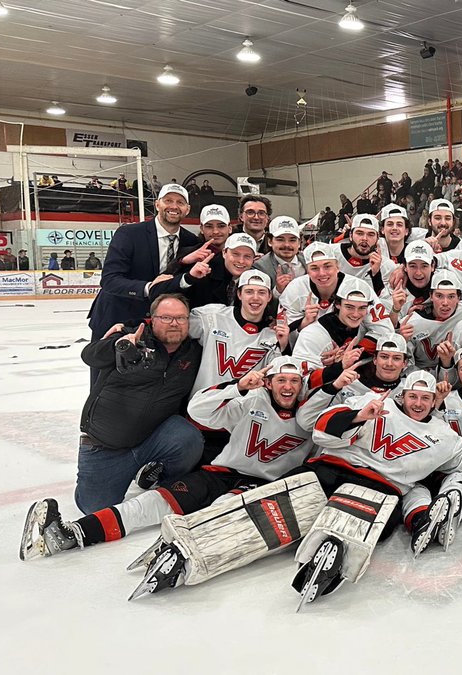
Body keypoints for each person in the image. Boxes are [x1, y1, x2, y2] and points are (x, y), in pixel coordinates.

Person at [20, 356, 316, 560]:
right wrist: (238, 387)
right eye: (280, 380)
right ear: (269, 382)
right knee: (152, 503)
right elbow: (199, 411)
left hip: (259, 486)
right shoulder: (251, 400)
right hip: (219, 473)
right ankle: (71, 534)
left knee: (221, 511)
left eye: (294, 381)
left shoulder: (310, 416)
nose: (287, 387)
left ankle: (184, 551)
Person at [74, 294, 205, 514]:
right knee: (94, 507)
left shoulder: (193, 352)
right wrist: (117, 345)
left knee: (189, 438)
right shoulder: (131, 338)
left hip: (153, 437)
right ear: (152, 319)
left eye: (181, 318)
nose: (174, 323)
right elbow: (90, 355)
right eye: (166, 317)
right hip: (107, 445)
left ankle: (156, 471)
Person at [87, 184, 200, 344]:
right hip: (117, 317)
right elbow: (109, 280)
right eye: (168, 200)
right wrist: (148, 287)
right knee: (107, 367)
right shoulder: (129, 234)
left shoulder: (191, 241)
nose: (174, 206)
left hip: (158, 325)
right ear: (157, 204)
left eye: (180, 202)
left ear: (187, 209)